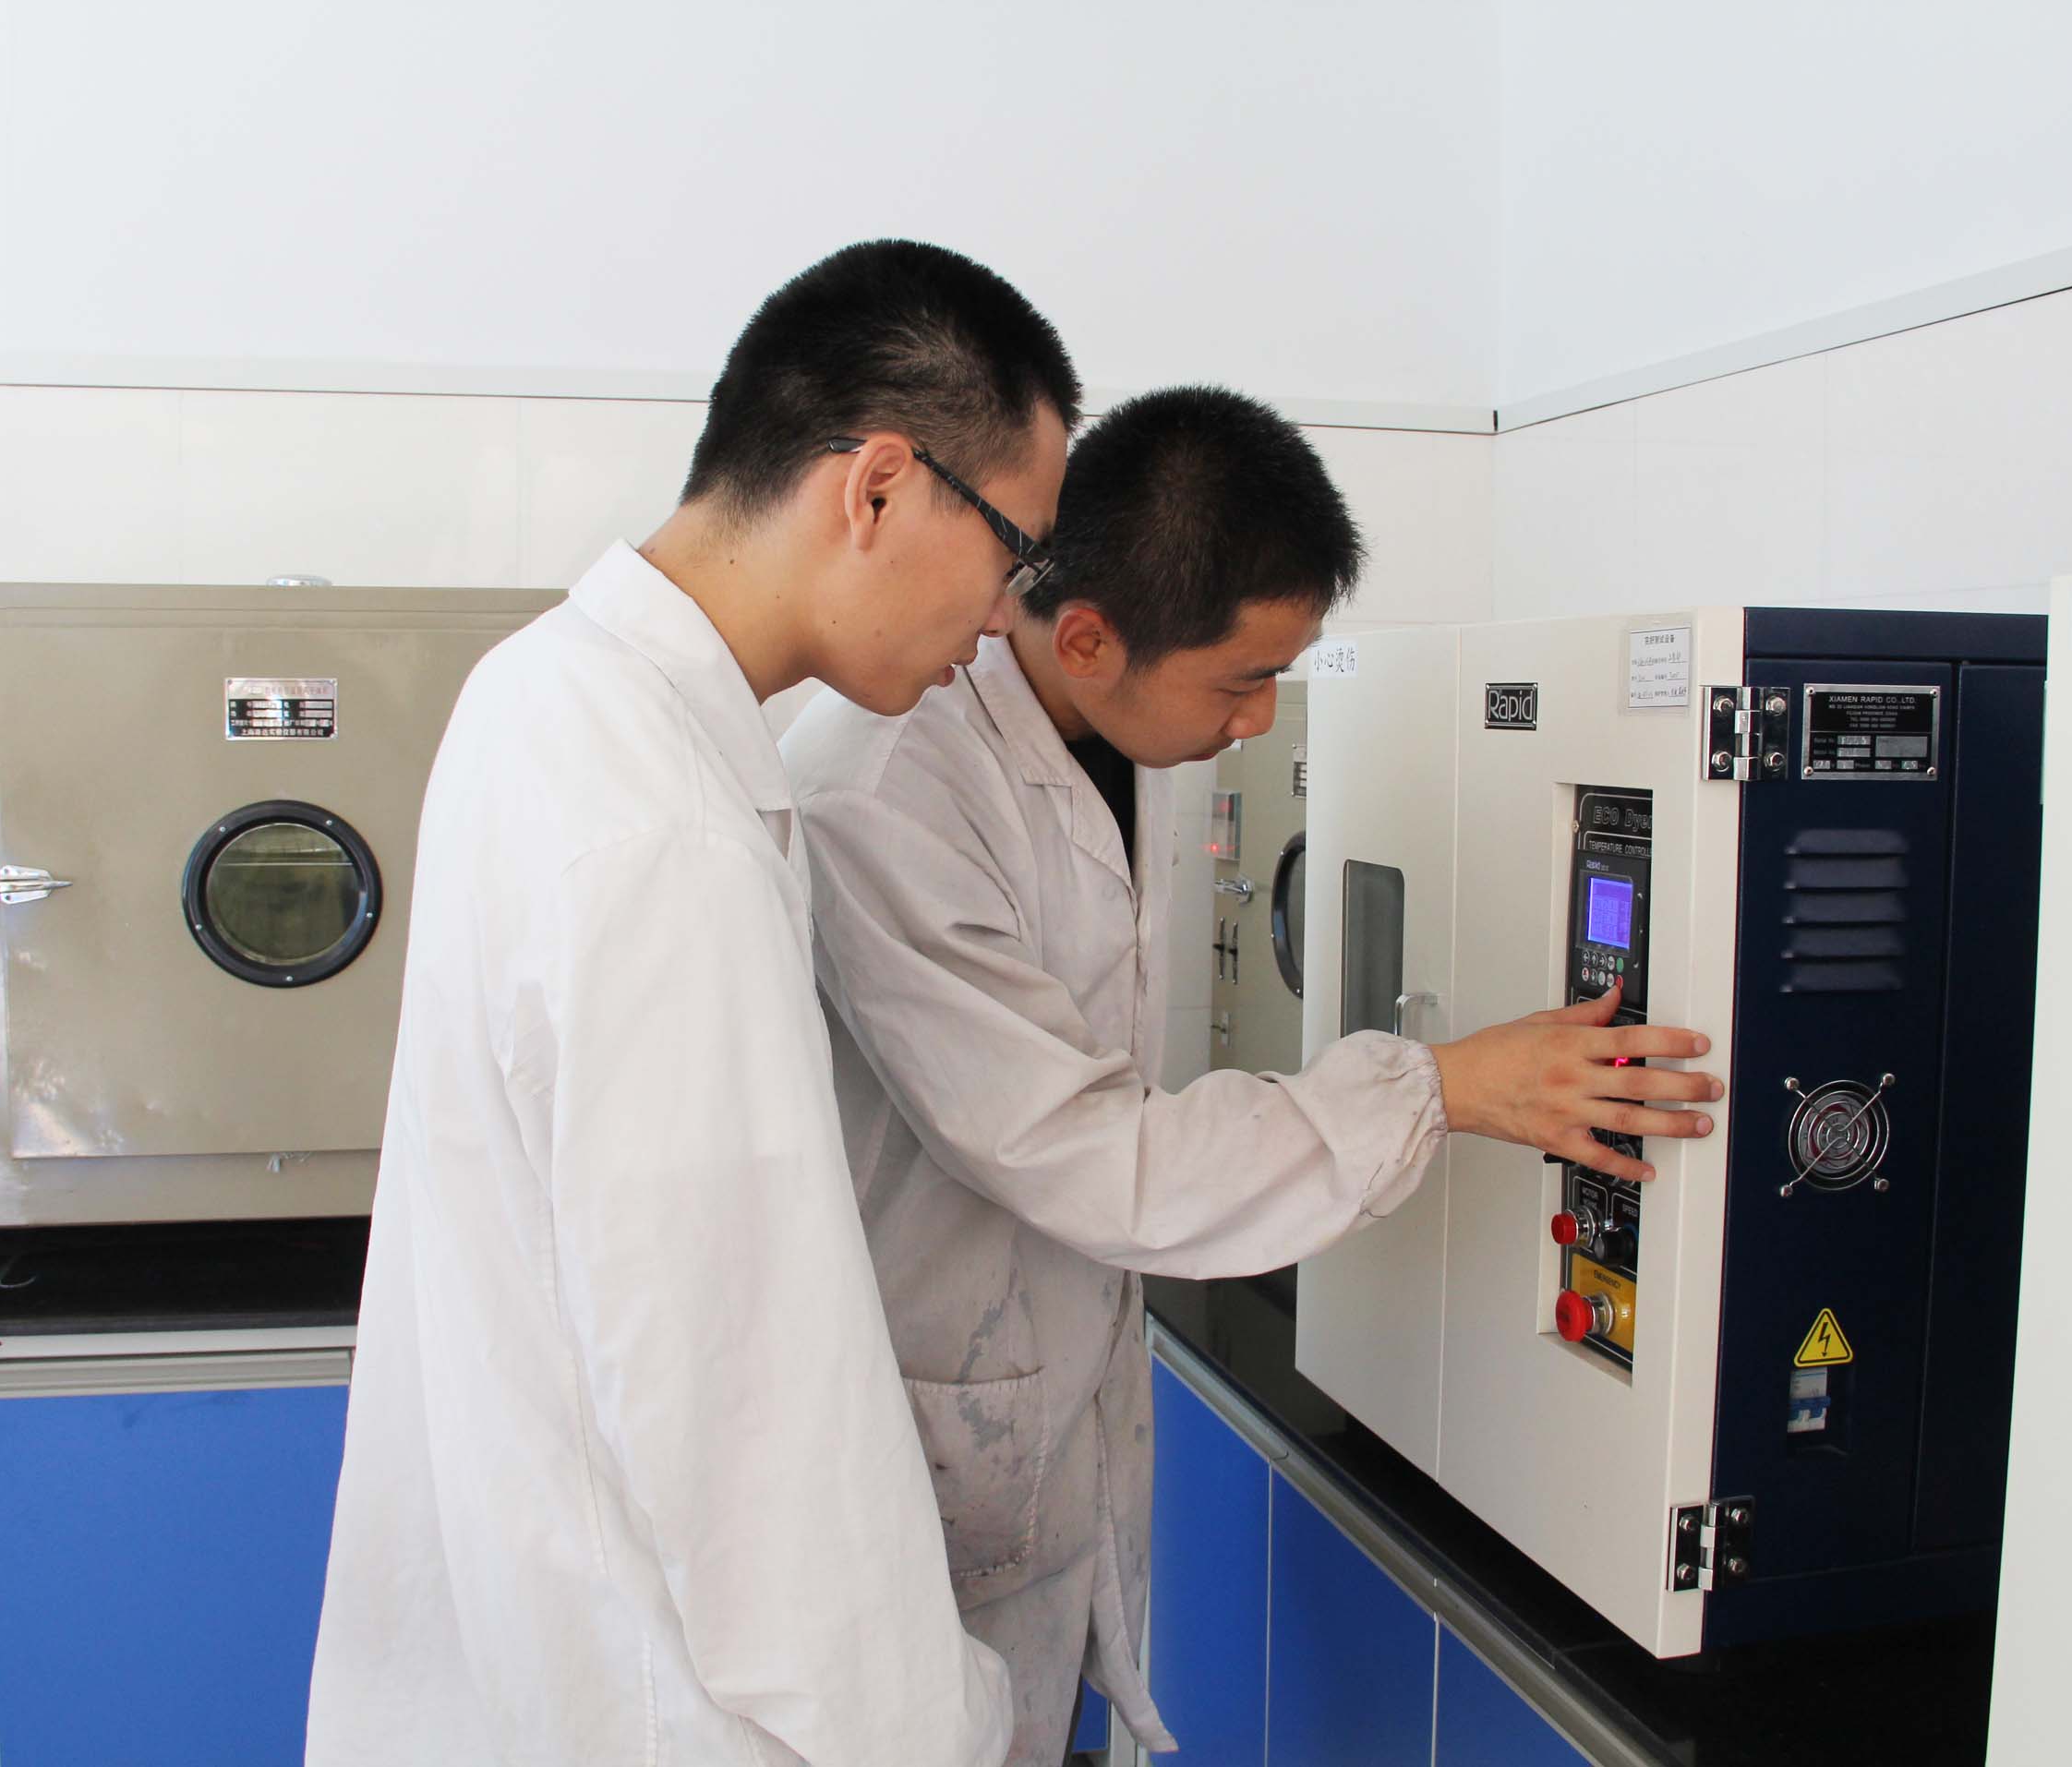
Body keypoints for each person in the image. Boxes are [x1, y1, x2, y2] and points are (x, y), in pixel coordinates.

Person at [780, 386, 1723, 1763]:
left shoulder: (1122, 732)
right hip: (929, 1419)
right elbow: (1091, 1153)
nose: (1263, 719)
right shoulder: (882, 793)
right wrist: (1445, 1086)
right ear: (1089, 639)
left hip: (1053, 1392)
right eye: (1240, 681)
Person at [306, 239, 1083, 1767]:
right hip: (656, 1709)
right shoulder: (664, 832)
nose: (1006, 618)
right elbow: (750, 1428)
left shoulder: (542, 690)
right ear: (877, 487)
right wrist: (940, 1728)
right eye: (1014, 553)